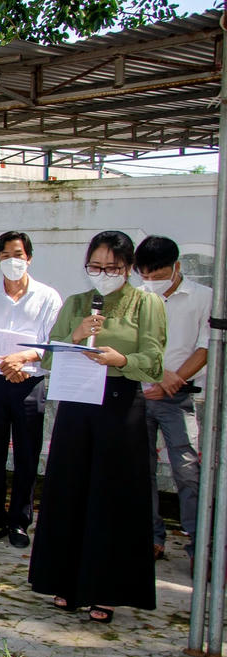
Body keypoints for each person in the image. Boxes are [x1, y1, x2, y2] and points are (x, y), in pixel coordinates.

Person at [29, 231, 166, 624]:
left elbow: (153, 361)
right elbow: (50, 355)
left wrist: (120, 359)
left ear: (129, 268)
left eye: (112, 268)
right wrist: (75, 335)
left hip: (120, 405)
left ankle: (106, 589)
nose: (103, 274)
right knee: (69, 491)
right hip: (77, 404)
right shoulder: (75, 303)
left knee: (112, 497)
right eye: (96, 267)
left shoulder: (146, 303)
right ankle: (64, 581)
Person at [0, 232, 62, 548]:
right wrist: (7, 364)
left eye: (18, 254)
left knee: (27, 455)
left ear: (29, 257)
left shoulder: (48, 298)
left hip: (30, 385)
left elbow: (51, 342)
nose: (12, 261)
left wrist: (22, 359)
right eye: (6, 255)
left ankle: (20, 522)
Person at [134, 236, 210, 565]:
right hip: (139, 394)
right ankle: (152, 538)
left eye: (158, 274)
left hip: (179, 397)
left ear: (177, 267)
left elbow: (206, 347)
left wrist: (170, 380)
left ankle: (198, 546)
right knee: (141, 470)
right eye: (145, 276)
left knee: (187, 471)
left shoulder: (203, 298)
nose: (151, 282)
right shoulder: (135, 298)